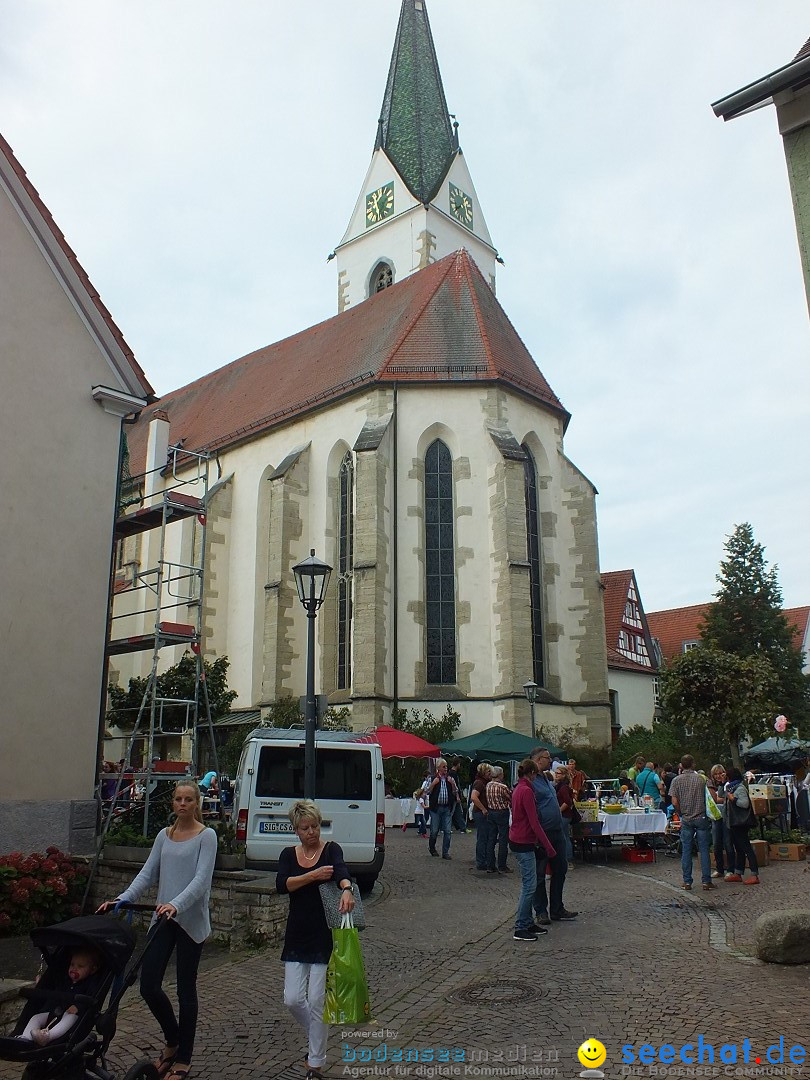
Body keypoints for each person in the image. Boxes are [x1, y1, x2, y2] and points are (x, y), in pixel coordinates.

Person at [98, 780, 217, 1080]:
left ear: (197, 803)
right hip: (162, 920)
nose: (182, 804)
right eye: (178, 799)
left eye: (188, 799)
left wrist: (176, 904)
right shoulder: (164, 836)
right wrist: (122, 899)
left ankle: (183, 1058)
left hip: (190, 922)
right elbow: (147, 874)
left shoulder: (207, 837)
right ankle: (173, 1038)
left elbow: (201, 881)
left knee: (185, 990)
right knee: (148, 984)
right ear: (172, 803)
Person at [276, 800, 354, 1080]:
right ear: (295, 830)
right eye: (305, 828)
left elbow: (342, 871)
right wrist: (312, 875)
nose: (312, 832)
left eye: (315, 826)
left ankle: (315, 1063)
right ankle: (316, 1036)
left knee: (317, 998)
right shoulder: (288, 855)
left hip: (323, 933)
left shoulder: (331, 849)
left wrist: (346, 889)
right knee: (293, 999)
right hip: (297, 932)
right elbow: (283, 884)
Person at [509, 758, 556, 941]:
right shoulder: (527, 791)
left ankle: (527, 922)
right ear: (531, 773)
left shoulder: (518, 788)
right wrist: (548, 846)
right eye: (536, 774)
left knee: (530, 882)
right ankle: (521, 926)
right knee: (529, 886)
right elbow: (534, 822)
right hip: (524, 841)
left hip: (518, 839)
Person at [17, 948, 103, 1045]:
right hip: (55, 1012)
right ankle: (25, 1038)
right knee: (36, 1017)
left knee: (70, 1017)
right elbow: (53, 990)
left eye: (80, 966)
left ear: (92, 969)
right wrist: (40, 985)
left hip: (73, 1016)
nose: (74, 968)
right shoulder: (65, 980)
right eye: (72, 964)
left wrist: (78, 1006)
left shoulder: (90, 983)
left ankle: (47, 1036)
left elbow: (92, 998)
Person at [530, 748, 577, 922]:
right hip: (542, 832)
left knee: (560, 869)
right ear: (537, 760)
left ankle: (557, 908)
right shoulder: (531, 781)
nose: (550, 761)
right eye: (547, 758)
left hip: (556, 831)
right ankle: (541, 911)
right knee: (540, 873)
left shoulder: (545, 778)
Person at [669, 754, 715, 892]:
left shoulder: (676, 781)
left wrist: (681, 812)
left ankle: (687, 881)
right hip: (701, 817)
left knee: (686, 850)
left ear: (681, 766)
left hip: (687, 818)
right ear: (693, 764)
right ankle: (706, 881)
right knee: (704, 849)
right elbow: (711, 797)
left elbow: (674, 802)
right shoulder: (701, 779)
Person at [723, 768, 760, 884]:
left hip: (740, 823)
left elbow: (745, 804)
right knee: (739, 849)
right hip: (734, 823)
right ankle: (738, 873)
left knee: (746, 848)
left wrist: (733, 799)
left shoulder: (739, 788)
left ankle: (754, 874)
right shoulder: (731, 788)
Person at [427, 758, 461, 859]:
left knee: (447, 831)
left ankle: (445, 852)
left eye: (446, 766)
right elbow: (426, 792)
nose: (446, 769)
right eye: (443, 767)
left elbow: (455, 792)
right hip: (436, 809)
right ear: (438, 768)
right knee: (434, 830)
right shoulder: (432, 778)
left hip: (447, 808)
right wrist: (433, 784)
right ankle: (432, 848)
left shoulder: (450, 779)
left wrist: (453, 785)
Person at [707, 764, 734, 878]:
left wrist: (721, 799)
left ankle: (731, 868)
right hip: (715, 816)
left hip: (727, 816)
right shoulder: (711, 785)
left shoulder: (728, 784)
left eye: (720, 773)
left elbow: (727, 798)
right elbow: (715, 799)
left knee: (728, 843)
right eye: (716, 774)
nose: (718, 776)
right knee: (717, 843)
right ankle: (719, 868)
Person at [484, 766, 512, 874]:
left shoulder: (488, 785)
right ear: (500, 774)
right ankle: (502, 865)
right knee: (503, 839)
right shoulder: (503, 787)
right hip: (502, 812)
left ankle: (490, 865)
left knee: (491, 839)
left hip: (491, 812)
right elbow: (510, 798)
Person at [470, 763, 493, 871]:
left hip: (481, 812)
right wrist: (483, 809)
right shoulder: (480, 783)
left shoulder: (484, 782)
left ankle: (484, 860)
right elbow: (474, 797)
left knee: (484, 837)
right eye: (489, 772)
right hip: (480, 813)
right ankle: (481, 861)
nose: (490, 774)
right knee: (482, 837)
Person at [554, 766, 575, 866]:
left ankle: (568, 859)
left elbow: (567, 802)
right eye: (556, 773)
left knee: (564, 837)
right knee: (564, 836)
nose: (556, 775)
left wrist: (558, 811)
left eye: (558, 773)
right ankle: (566, 858)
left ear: (563, 775)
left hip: (564, 815)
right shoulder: (560, 786)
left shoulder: (563, 787)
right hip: (564, 815)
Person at [449, 760, 468, 832]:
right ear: (457, 764)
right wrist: (457, 796)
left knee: (458, 812)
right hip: (454, 796)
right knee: (452, 812)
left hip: (455, 796)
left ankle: (463, 827)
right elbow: (455, 785)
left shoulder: (451, 773)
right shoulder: (453, 774)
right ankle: (448, 827)